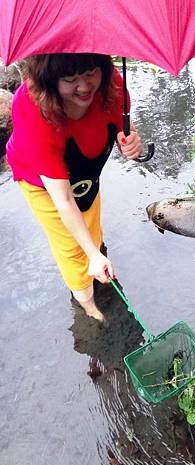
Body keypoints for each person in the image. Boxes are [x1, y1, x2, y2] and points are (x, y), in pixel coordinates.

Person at [6, 53, 143, 321]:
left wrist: (131, 141)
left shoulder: (111, 82)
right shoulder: (33, 109)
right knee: (72, 247)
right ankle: (88, 308)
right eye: (70, 79)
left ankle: (97, 258)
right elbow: (64, 200)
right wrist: (90, 255)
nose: (84, 87)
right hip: (42, 182)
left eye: (91, 72)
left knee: (90, 216)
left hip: (86, 167)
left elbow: (122, 125)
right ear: (49, 81)